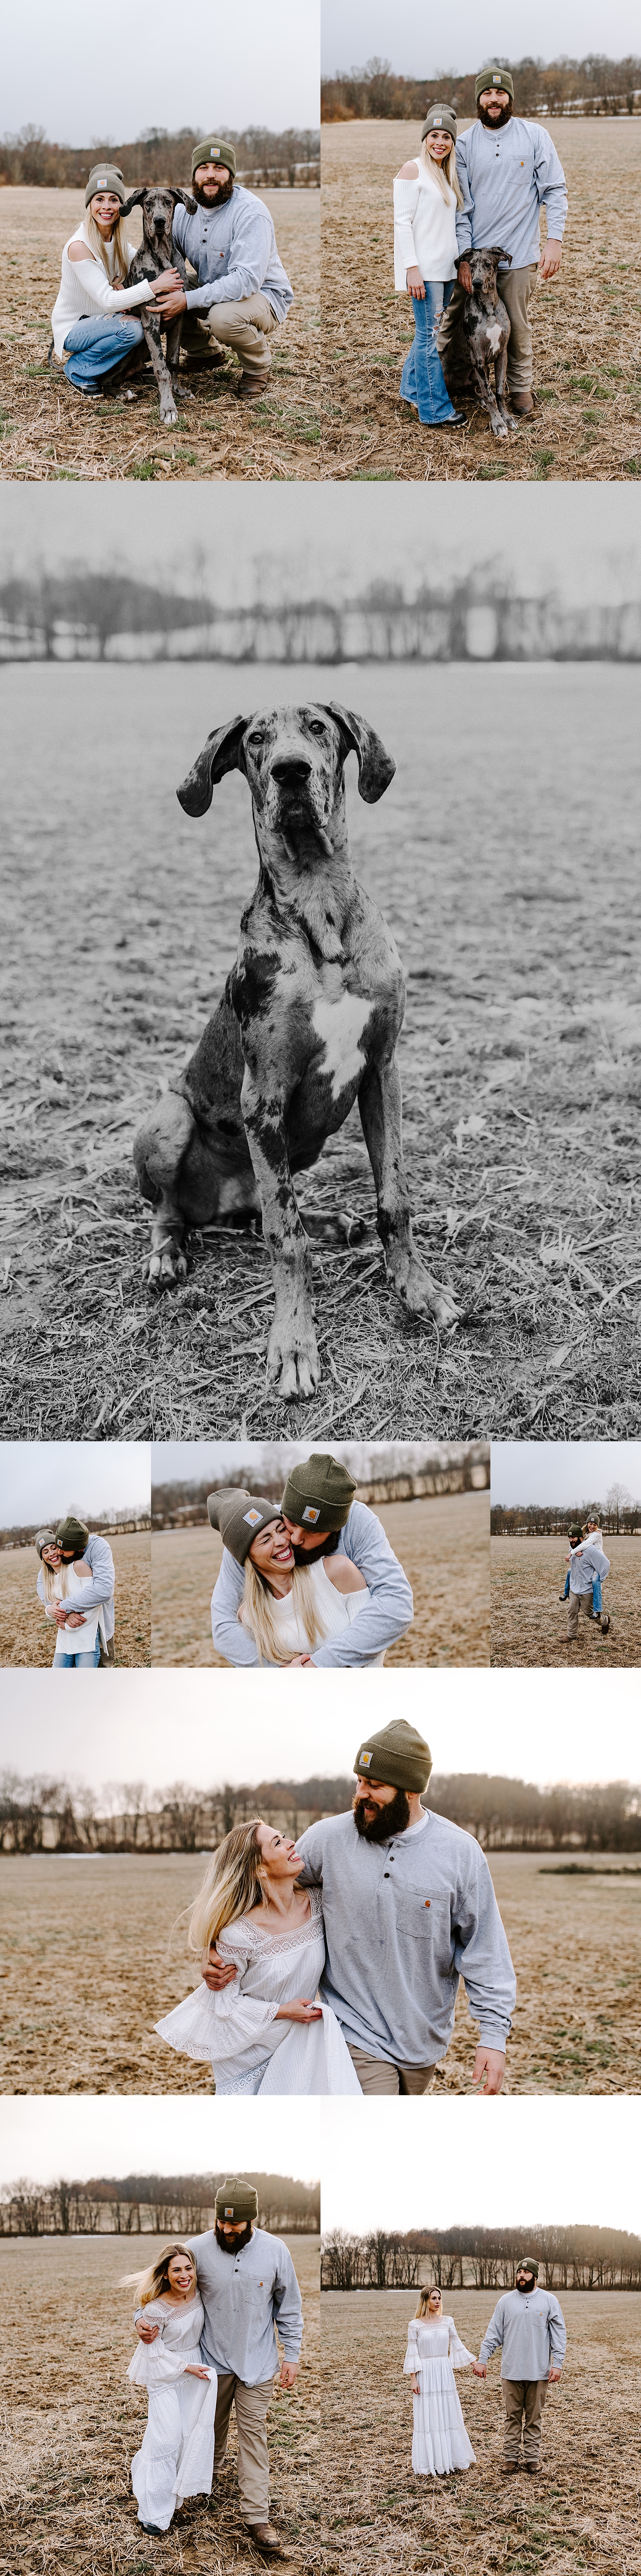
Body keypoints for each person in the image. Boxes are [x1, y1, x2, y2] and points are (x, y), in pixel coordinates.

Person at [203, 1719, 516, 2098]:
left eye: (374, 1785)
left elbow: (485, 1949)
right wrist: (220, 1949)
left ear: (411, 1791)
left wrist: (494, 2036)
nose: (361, 1793)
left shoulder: (460, 1853)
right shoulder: (328, 1838)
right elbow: (264, 1893)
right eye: (359, 1781)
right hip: (352, 2032)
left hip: (424, 2041)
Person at [134, 2177, 303, 2555]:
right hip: (211, 2365)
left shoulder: (276, 2250)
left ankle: (257, 2517)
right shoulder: (196, 2250)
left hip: (258, 2365)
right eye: (222, 2221)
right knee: (208, 2432)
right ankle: (192, 2487)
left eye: (236, 2223)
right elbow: (160, 2289)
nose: (227, 2229)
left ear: (251, 2220)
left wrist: (292, 2354)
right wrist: (138, 2320)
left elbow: (289, 2306)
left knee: (254, 2435)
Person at [155, 1815, 361, 2094]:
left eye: (284, 1836)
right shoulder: (237, 1934)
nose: (291, 1843)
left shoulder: (319, 1905)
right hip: (249, 2053)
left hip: (301, 2040)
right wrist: (283, 2011)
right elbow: (223, 2005)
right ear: (260, 1869)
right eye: (277, 1842)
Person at [437, 65, 568, 416]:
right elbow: (461, 208)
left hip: (520, 255)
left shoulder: (535, 136)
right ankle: (440, 382)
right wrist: (465, 259)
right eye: (487, 94)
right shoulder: (463, 145)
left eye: (500, 94)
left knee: (518, 325)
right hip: (476, 261)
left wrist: (554, 240)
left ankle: (520, 389)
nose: (494, 100)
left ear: (509, 98)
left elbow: (555, 190)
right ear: (479, 100)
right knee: (452, 320)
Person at [210, 1454, 413, 1667]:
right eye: (290, 1522)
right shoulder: (258, 1530)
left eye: (312, 1531)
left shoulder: (356, 1524)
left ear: (336, 1528)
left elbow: (396, 1604)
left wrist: (318, 1665)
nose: (293, 1539)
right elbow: (224, 1625)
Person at [152, 135, 293, 403]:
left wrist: (187, 300)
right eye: (204, 168)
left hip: (264, 296)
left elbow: (246, 282)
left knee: (222, 318)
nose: (211, 176)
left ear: (231, 175)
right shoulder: (182, 212)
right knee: (159, 294)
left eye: (219, 169)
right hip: (213, 287)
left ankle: (257, 367)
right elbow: (164, 260)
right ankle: (205, 353)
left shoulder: (250, 212)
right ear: (195, 174)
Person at [50, 163, 181, 397]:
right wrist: (154, 287)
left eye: (113, 199)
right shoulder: (80, 246)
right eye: (99, 199)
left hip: (102, 321)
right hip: (75, 326)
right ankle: (79, 369)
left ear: (122, 205)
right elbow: (108, 300)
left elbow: (142, 263)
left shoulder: (118, 241)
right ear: (90, 203)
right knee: (134, 329)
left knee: (133, 324)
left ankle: (123, 369)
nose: (107, 207)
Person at [125, 2242, 217, 2535]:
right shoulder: (155, 2309)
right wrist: (185, 2367)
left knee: (185, 2436)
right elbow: (153, 2352)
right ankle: (153, 2513)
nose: (184, 2275)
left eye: (188, 2268)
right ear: (165, 2274)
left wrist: (193, 2368)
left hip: (195, 2372)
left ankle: (171, 2493)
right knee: (165, 2440)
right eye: (176, 2269)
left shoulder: (200, 2293)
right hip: (167, 2375)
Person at [393, 105, 466, 429]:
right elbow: (402, 224)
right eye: (434, 135)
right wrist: (412, 269)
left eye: (447, 136)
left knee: (425, 335)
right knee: (428, 339)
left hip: (446, 270)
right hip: (425, 273)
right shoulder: (413, 170)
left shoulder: (445, 173)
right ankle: (435, 410)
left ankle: (411, 390)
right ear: (425, 138)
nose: (440, 141)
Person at [473, 2259, 566, 2475]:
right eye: (519, 2272)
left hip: (539, 2371)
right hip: (511, 2372)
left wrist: (558, 2364)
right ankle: (511, 2458)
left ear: (535, 2276)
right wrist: (483, 2359)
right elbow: (494, 2333)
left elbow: (559, 2336)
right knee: (512, 2417)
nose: (521, 2276)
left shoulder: (549, 2301)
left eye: (526, 2273)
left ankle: (533, 2458)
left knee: (534, 2418)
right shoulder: (505, 2302)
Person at [404, 2286, 476, 2476]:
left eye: (439, 2298)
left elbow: (458, 2344)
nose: (437, 2301)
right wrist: (414, 2380)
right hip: (425, 2373)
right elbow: (413, 2354)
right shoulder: (415, 2325)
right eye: (433, 2298)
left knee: (447, 2411)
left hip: (444, 2372)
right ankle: (432, 2460)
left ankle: (452, 2458)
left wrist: (474, 2362)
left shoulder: (448, 2322)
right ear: (425, 2301)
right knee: (429, 2415)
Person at [36, 1515, 116, 1666]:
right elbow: (44, 1586)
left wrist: (64, 1609)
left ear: (79, 1549)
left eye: (61, 1549)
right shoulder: (62, 1552)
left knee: (102, 1670)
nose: (57, 1553)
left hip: (99, 1622)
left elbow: (103, 1590)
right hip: (70, 1633)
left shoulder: (98, 1548)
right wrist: (57, 1612)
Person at [562, 1525, 611, 1643]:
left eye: (573, 1538)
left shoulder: (591, 1550)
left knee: (589, 1613)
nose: (571, 1541)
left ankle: (605, 1621)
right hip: (574, 1588)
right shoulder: (573, 1548)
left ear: (580, 1537)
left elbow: (606, 1564)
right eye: (569, 1538)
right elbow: (572, 1551)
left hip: (587, 1589)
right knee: (572, 1611)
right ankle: (572, 1635)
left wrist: (599, 1581)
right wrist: (574, 1551)